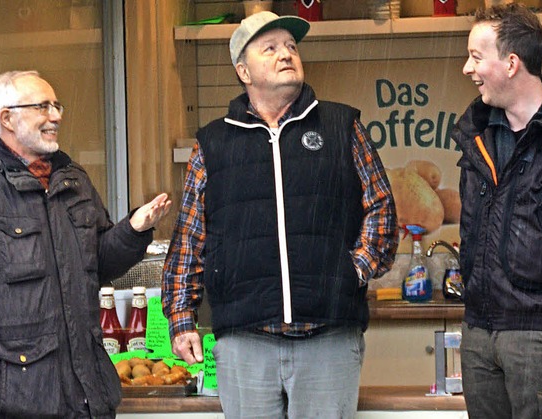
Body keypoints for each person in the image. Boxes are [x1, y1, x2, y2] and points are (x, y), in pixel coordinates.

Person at [162, 11, 398, 418]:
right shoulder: (213, 143)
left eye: (291, 46)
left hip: (329, 337)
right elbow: (190, 237)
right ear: (243, 70)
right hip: (244, 340)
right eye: (269, 48)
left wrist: (353, 269)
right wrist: (181, 316)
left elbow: (381, 209)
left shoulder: (342, 126)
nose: (285, 54)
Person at [0, 70, 172, 418]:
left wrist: (133, 230)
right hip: (18, 398)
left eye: (56, 105)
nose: (55, 116)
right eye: (42, 106)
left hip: (88, 392)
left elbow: (100, 264)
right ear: (7, 118)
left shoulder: (73, 178)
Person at [452, 4, 542, 418]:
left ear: (512, 63)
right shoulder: (475, 135)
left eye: (476, 57)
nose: (467, 68)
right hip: (479, 332)